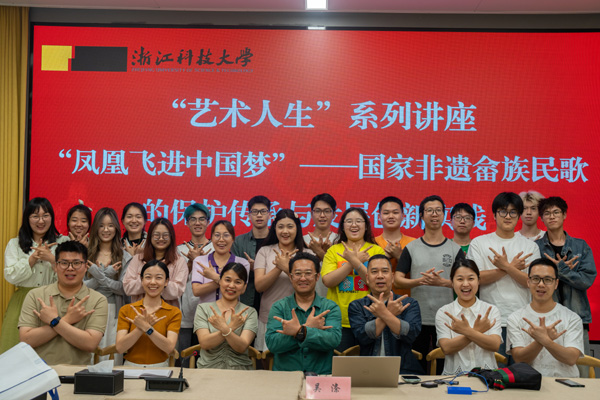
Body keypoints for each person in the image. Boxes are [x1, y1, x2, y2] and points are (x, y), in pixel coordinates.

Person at [394, 195, 464, 373]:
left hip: (447, 317)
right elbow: (397, 279)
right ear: (421, 215)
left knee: (443, 365)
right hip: (417, 316)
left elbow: (464, 282)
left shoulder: (454, 249)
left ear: (444, 215)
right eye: (430, 210)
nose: (434, 214)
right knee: (417, 365)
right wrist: (419, 281)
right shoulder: (411, 248)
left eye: (438, 210)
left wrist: (443, 283)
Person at [466, 192, 540, 361]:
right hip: (490, 321)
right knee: (493, 373)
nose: (508, 216)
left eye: (513, 212)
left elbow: (532, 283)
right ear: (494, 214)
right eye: (503, 211)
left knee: (520, 372)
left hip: (522, 321)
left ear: (519, 216)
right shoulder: (479, 243)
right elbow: (475, 279)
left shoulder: (530, 247)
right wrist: (510, 268)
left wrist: (506, 266)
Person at [18, 240, 108, 364]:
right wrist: (68, 319)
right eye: (64, 263)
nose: (70, 268)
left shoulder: (98, 300)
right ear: (55, 266)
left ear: (86, 266)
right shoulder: (35, 295)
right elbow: (26, 340)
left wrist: (54, 321)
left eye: (76, 263)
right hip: (41, 371)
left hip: (77, 372)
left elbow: (90, 344)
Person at [535, 196, 596, 376]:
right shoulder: (535, 248)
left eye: (556, 212)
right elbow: (533, 283)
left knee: (582, 372)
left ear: (564, 215)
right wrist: (559, 271)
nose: (552, 216)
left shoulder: (580, 246)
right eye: (547, 213)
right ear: (542, 218)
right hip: (546, 319)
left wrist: (560, 270)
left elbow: (586, 281)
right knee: (547, 371)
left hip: (577, 317)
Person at [1, 197, 68, 354]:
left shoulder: (63, 241)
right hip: (23, 301)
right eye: (35, 216)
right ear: (27, 218)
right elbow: (10, 276)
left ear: (52, 217)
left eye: (45, 215)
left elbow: (70, 276)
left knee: (52, 350)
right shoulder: (15, 244)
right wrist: (32, 259)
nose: (41, 221)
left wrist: (52, 259)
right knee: (16, 350)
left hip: (53, 301)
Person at [266, 252, 341, 374]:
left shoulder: (330, 307)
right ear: (291, 277)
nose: (303, 278)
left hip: (321, 376)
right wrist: (307, 329)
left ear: (317, 277)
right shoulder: (279, 307)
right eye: (298, 274)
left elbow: (333, 340)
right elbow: (272, 344)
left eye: (308, 273)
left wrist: (298, 331)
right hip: (285, 376)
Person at [322, 207, 385, 351]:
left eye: (359, 221)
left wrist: (355, 262)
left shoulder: (376, 250)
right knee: (341, 362)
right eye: (349, 221)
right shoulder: (334, 250)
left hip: (371, 318)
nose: (354, 225)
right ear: (343, 226)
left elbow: (377, 283)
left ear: (366, 226)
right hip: (339, 320)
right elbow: (328, 281)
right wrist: (353, 262)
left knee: (370, 362)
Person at [507, 258, 583, 377]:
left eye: (547, 280)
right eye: (536, 279)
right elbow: (519, 359)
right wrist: (541, 340)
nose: (541, 284)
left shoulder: (572, 318)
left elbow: (571, 358)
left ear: (556, 284)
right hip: (530, 383)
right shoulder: (515, 318)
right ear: (528, 282)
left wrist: (545, 340)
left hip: (564, 383)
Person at [348, 255, 422, 374]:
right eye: (374, 272)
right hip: (368, 372)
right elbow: (364, 337)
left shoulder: (409, 303)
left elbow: (410, 334)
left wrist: (384, 314)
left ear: (392, 277)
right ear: (367, 278)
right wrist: (389, 313)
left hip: (403, 371)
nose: (380, 276)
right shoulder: (357, 306)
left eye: (385, 271)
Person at [254, 209, 311, 351]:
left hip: (301, 318)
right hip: (270, 316)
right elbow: (259, 286)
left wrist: (286, 267)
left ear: (297, 228)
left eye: (290, 226)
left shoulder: (308, 254)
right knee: (267, 359)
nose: (285, 231)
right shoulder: (265, 251)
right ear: (275, 228)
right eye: (280, 227)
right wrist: (278, 267)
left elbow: (308, 287)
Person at [435, 259, 502, 374]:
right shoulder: (444, 312)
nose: (465, 284)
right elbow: (447, 348)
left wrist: (467, 331)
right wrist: (478, 331)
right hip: (453, 378)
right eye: (460, 279)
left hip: (488, 377)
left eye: (471, 278)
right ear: (452, 282)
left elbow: (494, 345)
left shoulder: (491, 310)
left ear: (478, 280)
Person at [84, 207, 132, 363]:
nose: (106, 230)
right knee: (90, 357)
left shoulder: (125, 256)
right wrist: (106, 274)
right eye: (101, 226)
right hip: (88, 310)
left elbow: (123, 289)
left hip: (114, 312)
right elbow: (80, 288)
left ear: (116, 228)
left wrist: (100, 275)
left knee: (111, 357)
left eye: (110, 225)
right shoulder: (85, 254)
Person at [116, 260, 181, 367]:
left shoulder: (174, 312)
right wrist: (140, 328)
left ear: (166, 282)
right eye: (148, 277)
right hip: (130, 367)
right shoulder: (127, 310)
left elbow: (169, 348)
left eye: (158, 278)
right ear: (141, 280)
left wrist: (147, 328)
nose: (153, 282)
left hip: (161, 368)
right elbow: (120, 348)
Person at [194, 262, 258, 370]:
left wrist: (224, 328)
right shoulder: (203, 309)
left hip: (240, 371)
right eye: (227, 280)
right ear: (220, 282)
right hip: (208, 370)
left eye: (238, 282)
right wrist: (231, 327)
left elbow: (242, 347)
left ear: (244, 287)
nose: (231, 286)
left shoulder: (250, 312)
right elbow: (205, 343)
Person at [176, 203, 214, 365]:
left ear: (208, 222)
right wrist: (192, 263)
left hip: (210, 313)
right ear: (187, 222)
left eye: (202, 219)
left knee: (208, 360)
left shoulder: (216, 247)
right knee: (184, 360)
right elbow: (176, 281)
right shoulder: (178, 250)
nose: (197, 223)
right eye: (193, 219)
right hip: (186, 313)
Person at [123, 218, 188, 308]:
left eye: (165, 235)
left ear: (171, 237)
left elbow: (178, 291)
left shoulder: (179, 261)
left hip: (167, 312)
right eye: (156, 235)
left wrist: (157, 277)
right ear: (150, 236)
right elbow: (127, 288)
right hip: (140, 311)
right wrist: (149, 278)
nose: (161, 238)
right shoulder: (137, 259)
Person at [192, 220, 250, 304]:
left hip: (231, 310)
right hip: (206, 311)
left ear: (233, 239)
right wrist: (225, 281)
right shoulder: (199, 261)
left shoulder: (243, 263)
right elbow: (196, 291)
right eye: (217, 235)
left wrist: (215, 277)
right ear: (211, 238)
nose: (221, 240)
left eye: (226, 235)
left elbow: (241, 290)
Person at [232, 195, 271, 311]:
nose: (259, 215)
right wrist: (247, 268)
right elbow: (234, 272)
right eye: (255, 212)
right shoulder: (238, 242)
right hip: (244, 301)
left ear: (269, 214)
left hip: (271, 299)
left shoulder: (277, 241)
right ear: (249, 215)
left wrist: (257, 268)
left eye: (263, 211)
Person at [374, 196, 416, 296]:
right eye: (386, 213)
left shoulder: (414, 243)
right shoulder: (372, 243)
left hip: (407, 299)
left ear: (403, 216)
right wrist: (384, 258)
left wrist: (400, 256)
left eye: (395, 212)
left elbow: (420, 274)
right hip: (377, 300)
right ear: (379, 217)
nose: (391, 216)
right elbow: (365, 274)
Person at [304, 193, 338, 261]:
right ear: (311, 214)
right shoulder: (303, 241)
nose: (322, 215)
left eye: (327, 211)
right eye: (318, 211)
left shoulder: (339, 240)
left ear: (334, 214)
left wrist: (319, 252)